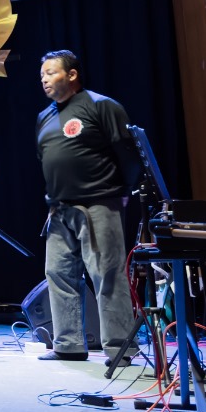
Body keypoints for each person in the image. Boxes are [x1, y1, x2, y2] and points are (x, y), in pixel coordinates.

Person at [36, 50, 141, 365]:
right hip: (59, 208)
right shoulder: (45, 116)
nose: (44, 79)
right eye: (41, 75)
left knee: (107, 274)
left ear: (71, 75)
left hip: (99, 203)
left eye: (51, 72)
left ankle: (120, 347)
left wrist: (120, 193)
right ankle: (68, 344)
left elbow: (128, 153)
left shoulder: (101, 105)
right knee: (58, 273)